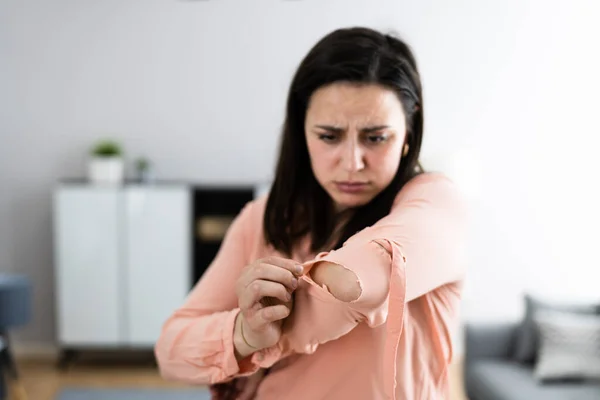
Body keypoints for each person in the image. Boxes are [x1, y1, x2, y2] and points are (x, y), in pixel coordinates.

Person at [154, 26, 468, 400]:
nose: (352, 162)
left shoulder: (436, 201)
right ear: (301, 129)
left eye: (376, 137)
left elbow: (352, 282)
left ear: (409, 128)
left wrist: (271, 332)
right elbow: (171, 350)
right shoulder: (261, 218)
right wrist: (243, 333)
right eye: (329, 136)